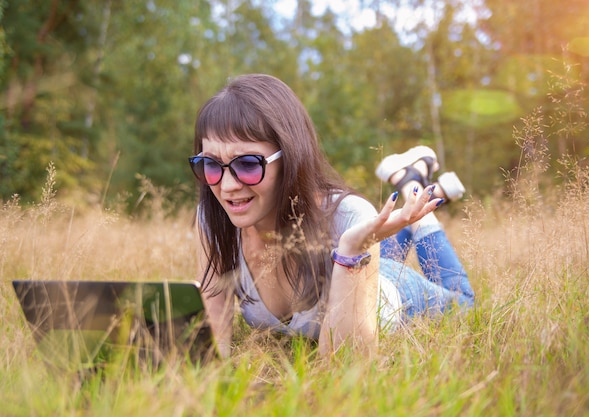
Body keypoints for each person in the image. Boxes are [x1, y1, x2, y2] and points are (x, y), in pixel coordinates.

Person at [188, 74, 474, 358]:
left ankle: (415, 191)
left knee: (464, 303)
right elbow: (214, 337)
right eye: (210, 165)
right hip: (360, 256)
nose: (226, 186)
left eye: (248, 164)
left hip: (391, 290)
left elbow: (345, 365)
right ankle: (413, 183)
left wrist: (352, 249)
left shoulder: (348, 215)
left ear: (290, 157)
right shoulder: (213, 220)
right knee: (371, 234)